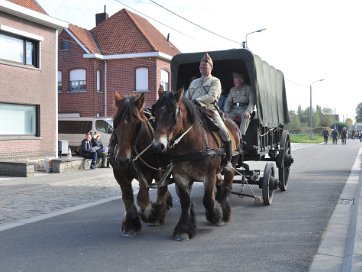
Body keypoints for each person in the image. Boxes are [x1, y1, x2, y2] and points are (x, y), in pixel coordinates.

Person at [185, 52, 233, 172]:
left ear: (211, 68)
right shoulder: (194, 83)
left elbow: (212, 96)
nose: (202, 68)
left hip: (209, 111)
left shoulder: (215, 81)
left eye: (205, 66)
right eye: (201, 66)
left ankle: (228, 161)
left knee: (224, 131)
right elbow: (186, 97)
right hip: (193, 111)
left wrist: (195, 101)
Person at [223, 72, 255, 137]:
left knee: (245, 117)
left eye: (236, 80)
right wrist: (226, 111)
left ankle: (241, 136)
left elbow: (252, 101)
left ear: (241, 80)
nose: (234, 82)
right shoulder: (232, 90)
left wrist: (248, 111)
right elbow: (228, 102)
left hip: (244, 109)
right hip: (234, 109)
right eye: (234, 80)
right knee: (225, 117)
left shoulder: (248, 88)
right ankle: (228, 135)